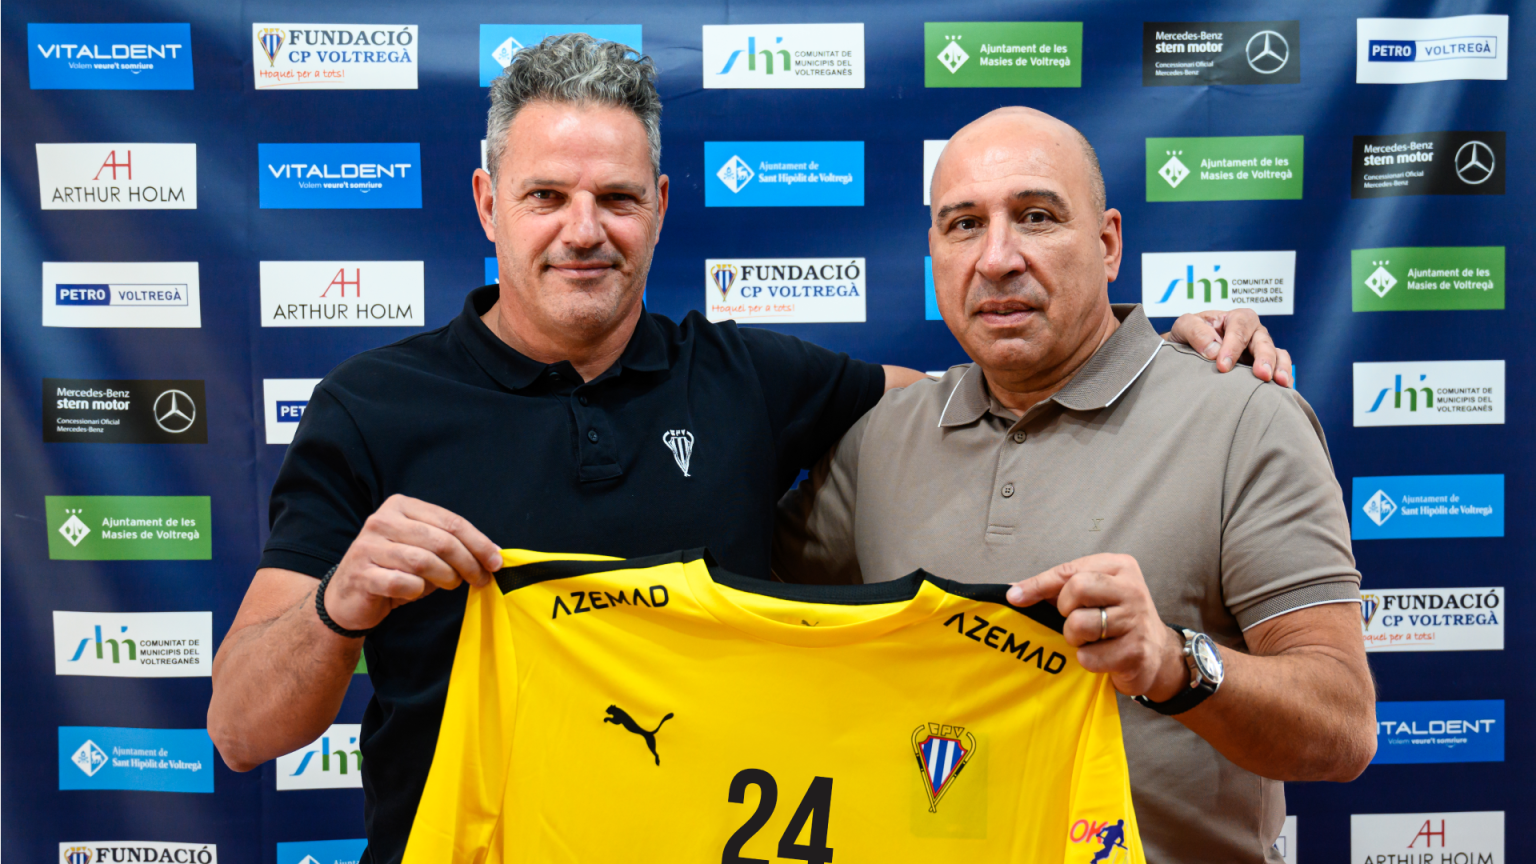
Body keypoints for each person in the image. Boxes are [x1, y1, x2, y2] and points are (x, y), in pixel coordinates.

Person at [207, 37, 1291, 863]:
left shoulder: (747, 379)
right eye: (546, 196)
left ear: (660, 208)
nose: (584, 229)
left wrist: (1145, 349)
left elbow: (979, 383)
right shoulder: (371, 405)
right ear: (490, 204)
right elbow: (242, 729)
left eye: (617, 198)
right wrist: (339, 604)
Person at [774, 107, 1374, 864]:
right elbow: (751, 629)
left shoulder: (1245, 418)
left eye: (1036, 216)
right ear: (934, 252)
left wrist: (1174, 663)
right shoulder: (880, 437)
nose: (997, 258)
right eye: (964, 225)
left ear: (1108, 243)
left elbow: (1342, 728)